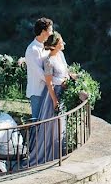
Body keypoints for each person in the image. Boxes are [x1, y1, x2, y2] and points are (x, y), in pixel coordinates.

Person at [32, 32, 77, 164]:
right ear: (54, 45)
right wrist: (55, 100)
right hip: (53, 95)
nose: (63, 43)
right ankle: (47, 156)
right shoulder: (48, 61)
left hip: (62, 92)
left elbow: (65, 71)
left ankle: (59, 154)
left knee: (60, 124)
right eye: (61, 42)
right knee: (51, 125)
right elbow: (49, 83)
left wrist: (71, 77)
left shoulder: (60, 55)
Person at [24, 17, 53, 120]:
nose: (51, 32)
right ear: (43, 31)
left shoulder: (45, 47)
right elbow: (39, 72)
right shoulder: (32, 49)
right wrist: (55, 81)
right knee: (38, 122)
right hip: (37, 92)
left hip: (46, 90)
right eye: (50, 30)